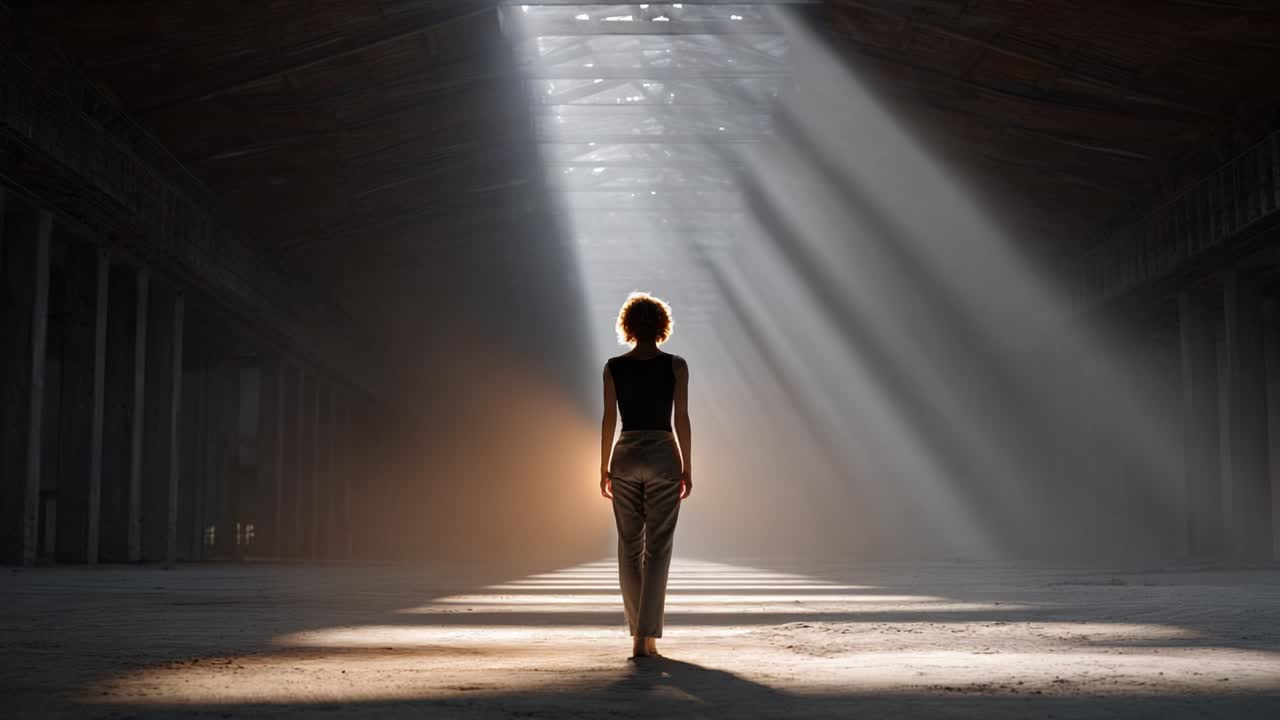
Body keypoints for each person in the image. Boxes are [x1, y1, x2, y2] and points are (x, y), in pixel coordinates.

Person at [600, 291, 692, 659]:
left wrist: (604, 467)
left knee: (628, 547)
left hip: (625, 453)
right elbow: (681, 418)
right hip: (663, 453)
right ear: (661, 326)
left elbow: (609, 420)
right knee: (658, 548)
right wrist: (687, 466)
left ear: (628, 326)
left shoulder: (613, 367)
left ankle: (637, 635)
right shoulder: (676, 366)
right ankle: (646, 636)